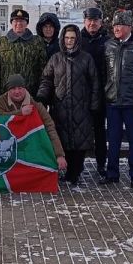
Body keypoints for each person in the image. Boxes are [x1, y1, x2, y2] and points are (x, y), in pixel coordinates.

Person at [37, 24, 101, 186]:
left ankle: (75, 171)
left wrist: (94, 104)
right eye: (67, 38)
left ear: (77, 39)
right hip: (61, 107)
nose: (69, 41)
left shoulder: (86, 58)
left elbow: (94, 82)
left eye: (72, 38)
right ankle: (66, 170)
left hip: (82, 107)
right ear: (62, 39)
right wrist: (42, 97)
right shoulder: (56, 58)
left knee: (80, 142)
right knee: (63, 139)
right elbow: (47, 80)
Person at [99, 10, 133, 188]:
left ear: (129, 26)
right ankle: (112, 173)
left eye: (120, 25)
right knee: (113, 140)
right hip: (113, 101)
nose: (116, 28)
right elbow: (104, 73)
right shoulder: (108, 46)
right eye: (114, 25)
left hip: (132, 103)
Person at [0, 9, 47, 109]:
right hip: (6, 94)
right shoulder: (1, 43)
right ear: (11, 23)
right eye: (15, 21)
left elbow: (43, 69)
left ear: (27, 23)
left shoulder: (37, 42)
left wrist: (41, 93)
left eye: (22, 21)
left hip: (31, 94)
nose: (18, 24)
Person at [80, 7, 110, 177]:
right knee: (81, 131)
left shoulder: (107, 41)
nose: (92, 23)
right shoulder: (78, 40)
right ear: (84, 22)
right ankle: (79, 162)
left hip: (100, 92)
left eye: (95, 21)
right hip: (81, 93)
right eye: (89, 20)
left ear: (101, 22)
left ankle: (101, 164)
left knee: (99, 131)